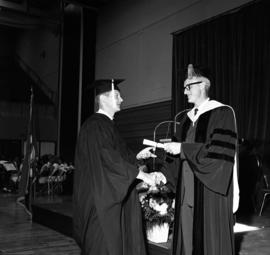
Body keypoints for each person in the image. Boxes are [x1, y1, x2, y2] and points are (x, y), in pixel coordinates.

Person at [73, 79, 160, 255]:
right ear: (104, 99)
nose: (122, 99)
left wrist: (136, 156)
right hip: (99, 202)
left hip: (105, 197)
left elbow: (116, 156)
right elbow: (108, 160)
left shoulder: (106, 125)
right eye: (117, 95)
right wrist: (144, 176)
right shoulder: (95, 125)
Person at [162, 64, 240, 255]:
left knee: (208, 243)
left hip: (208, 192)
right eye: (184, 87)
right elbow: (174, 157)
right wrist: (162, 176)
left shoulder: (223, 113)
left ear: (203, 85)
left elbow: (218, 154)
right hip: (186, 192)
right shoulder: (186, 120)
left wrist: (182, 148)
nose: (184, 91)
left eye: (188, 86)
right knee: (187, 239)